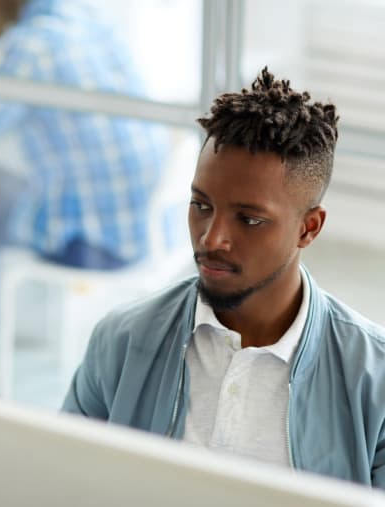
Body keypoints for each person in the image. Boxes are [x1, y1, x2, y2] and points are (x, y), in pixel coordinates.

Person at [62, 68, 385, 488]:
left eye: (249, 219)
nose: (211, 238)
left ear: (309, 228)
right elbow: (62, 486)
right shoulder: (122, 341)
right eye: (201, 205)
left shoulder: (373, 378)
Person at [0, 0, 169, 389]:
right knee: (2, 187)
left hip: (94, 242)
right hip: (147, 224)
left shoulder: (31, 47)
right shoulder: (84, 17)